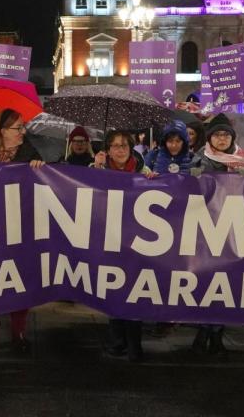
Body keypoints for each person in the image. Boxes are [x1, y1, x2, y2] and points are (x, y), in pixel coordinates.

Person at [0, 109, 44, 379]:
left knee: (19, 285)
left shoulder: (29, 151)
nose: (22, 132)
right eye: (17, 128)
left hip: (19, 232)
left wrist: (39, 167)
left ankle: (18, 333)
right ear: (2, 131)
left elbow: (44, 182)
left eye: (23, 127)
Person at [190, 114, 244, 357]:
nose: (222, 139)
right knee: (206, 282)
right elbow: (188, 185)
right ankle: (203, 331)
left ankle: (216, 334)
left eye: (226, 135)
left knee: (226, 283)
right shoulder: (199, 158)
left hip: (234, 229)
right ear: (210, 138)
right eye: (217, 135)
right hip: (205, 229)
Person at [93, 130, 152, 363]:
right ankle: (118, 341)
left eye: (124, 146)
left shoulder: (143, 172)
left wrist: (155, 181)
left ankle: (134, 344)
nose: (120, 150)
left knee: (134, 292)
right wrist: (96, 169)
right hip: (109, 240)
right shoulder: (96, 168)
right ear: (108, 150)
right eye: (115, 146)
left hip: (136, 242)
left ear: (131, 149)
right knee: (114, 290)